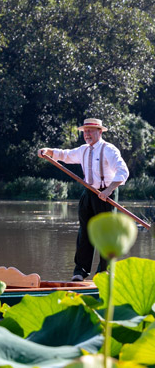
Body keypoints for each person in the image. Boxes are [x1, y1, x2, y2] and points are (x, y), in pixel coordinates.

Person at [38, 118, 129, 281]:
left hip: (106, 194)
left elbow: (123, 171)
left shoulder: (109, 150)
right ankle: (80, 271)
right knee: (84, 232)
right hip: (89, 193)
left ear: (99, 132)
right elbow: (65, 155)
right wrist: (48, 151)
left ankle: (104, 273)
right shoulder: (83, 150)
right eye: (85, 131)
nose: (87, 134)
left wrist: (108, 190)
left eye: (91, 131)